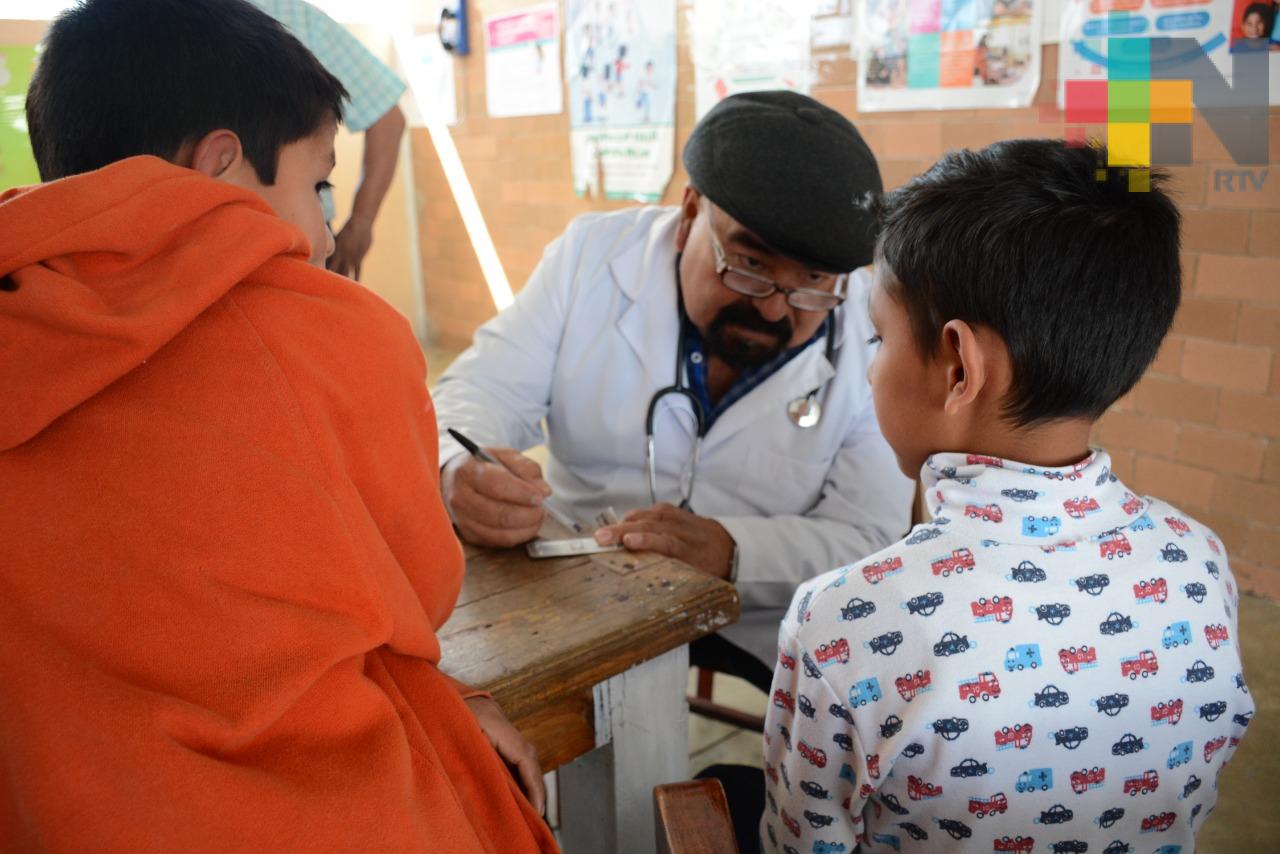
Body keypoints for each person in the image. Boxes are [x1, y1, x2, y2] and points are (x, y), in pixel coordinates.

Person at [0, 1, 554, 850]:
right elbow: (420, 596)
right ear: (220, 166)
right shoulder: (333, 330)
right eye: (319, 185)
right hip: (316, 811)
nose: (329, 239)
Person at [760, 140, 1254, 853]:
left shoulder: (845, 623)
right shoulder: (1200, 560)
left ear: (959, 365)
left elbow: (803, 844)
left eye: (878, 337)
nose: (870, 372)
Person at [433, 91, 914, 681]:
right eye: (751, 265)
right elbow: (480, 392)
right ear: (689, 214)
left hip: (769, 611)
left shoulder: (873, 329)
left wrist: (732, 550)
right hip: (580, 572)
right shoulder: (592, 260)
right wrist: (459, 468)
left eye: (813, 282)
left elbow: (867, 535)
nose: (773, 311)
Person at [249, 0, 408, 280]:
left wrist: (361, 222)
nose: (330, 243)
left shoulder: (290, 12)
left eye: (320, 185)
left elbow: (388, 119)